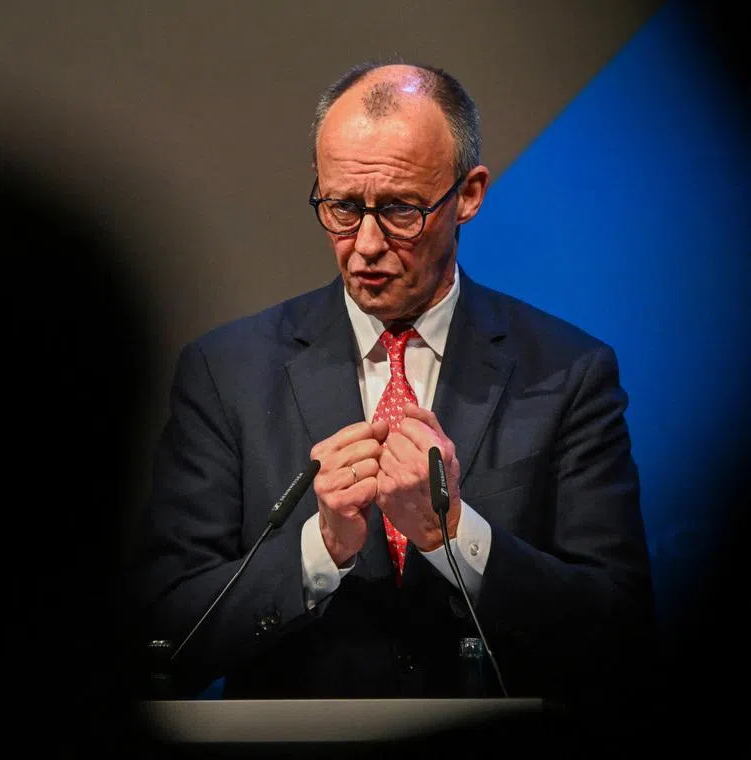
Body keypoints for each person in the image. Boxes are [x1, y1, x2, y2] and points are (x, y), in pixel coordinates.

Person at [129, 60, 656, 720]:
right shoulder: (226, 371)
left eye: (402, 209)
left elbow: (622, 639)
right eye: (343, 208)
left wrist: (457, 535)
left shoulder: (567, 373)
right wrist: (320, 549)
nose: (366, 246)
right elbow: (164, 640)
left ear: (469, 194)